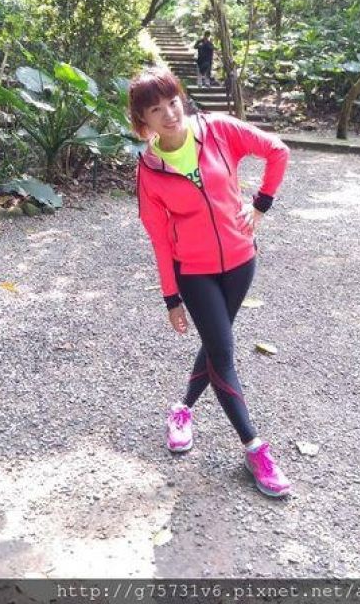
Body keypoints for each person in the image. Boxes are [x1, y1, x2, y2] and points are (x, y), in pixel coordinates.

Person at [129, 66, 291, 498]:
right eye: (156, 110)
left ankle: (181, 409)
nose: (169, 114)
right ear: (143, 120)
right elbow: (159, 239)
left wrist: (261, 205)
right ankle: (254, 447)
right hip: (194, 272)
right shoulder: (149, 170)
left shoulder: (218, 130)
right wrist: (171, 298)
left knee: (216, 345)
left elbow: (277, 151)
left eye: (173, 102)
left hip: (241, 261)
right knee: (223, 351)